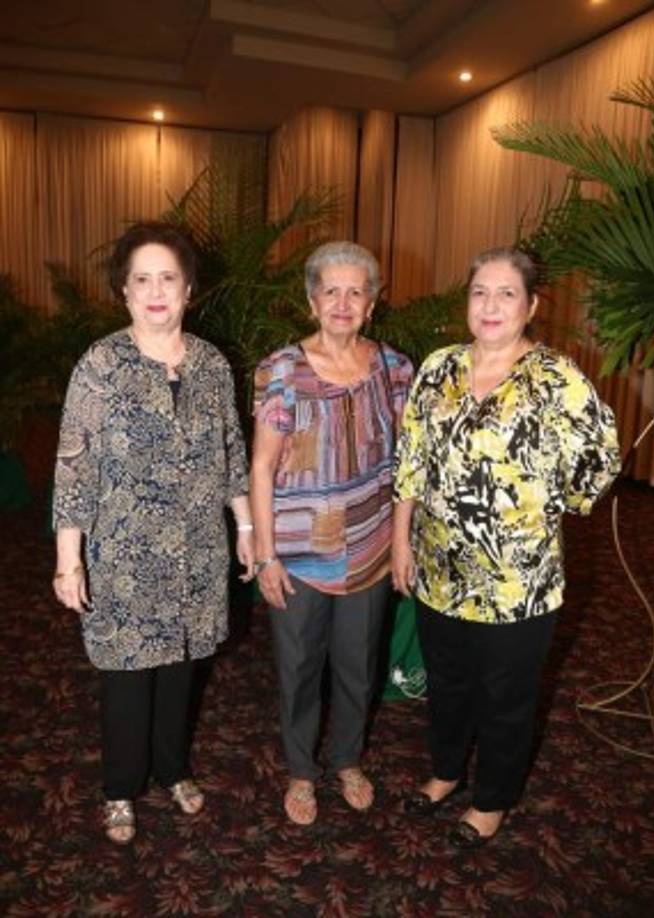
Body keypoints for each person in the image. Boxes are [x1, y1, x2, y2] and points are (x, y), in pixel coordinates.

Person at [392, 247, 620, 849]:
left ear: (531, 305)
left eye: (506, 294)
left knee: (506, 695)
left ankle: (491, 798)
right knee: (446, 682)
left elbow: (601, 455)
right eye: (479, 293)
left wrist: (550, 504)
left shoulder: (555, 377)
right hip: (439, 567)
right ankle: (444, 772)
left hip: (519, 581)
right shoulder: (439, 368)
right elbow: (410, 461)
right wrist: (400, 544)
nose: (490, 306)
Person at [52, 222, 254, 845]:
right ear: (124, 291)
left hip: (198, 552)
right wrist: (69, 562)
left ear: (189, 288)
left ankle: (172, 771)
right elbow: (74, 466)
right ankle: (120, 789)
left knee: (182, 671)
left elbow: (231, 453)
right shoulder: (100, 365)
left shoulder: (213, 366)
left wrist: (245, 526)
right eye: (142, 279)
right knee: (127, 677)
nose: (156, 290)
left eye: (168, 277)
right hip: (123, 558)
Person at [250, 241, 413, 825]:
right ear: (311, 299)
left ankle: (346, 759)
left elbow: (407, 467)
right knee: (297, 669)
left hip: (370, 547)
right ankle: (300, 771)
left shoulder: (396, 370)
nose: (343, 302)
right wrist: (266, 557)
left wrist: (401, 541)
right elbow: (262, 467)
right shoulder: (282, 370)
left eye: (356, 291)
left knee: (357, 666)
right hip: (298, 555)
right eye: (331, 291)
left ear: (372, 302)